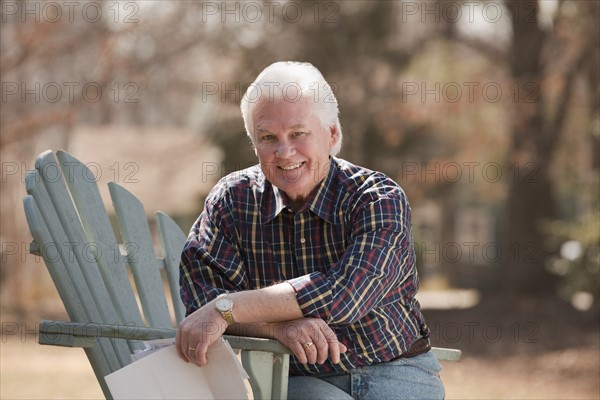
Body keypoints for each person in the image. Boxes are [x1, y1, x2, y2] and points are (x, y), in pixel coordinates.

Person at [176, 61, 445, 400]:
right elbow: (202, 299)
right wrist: (276, 328)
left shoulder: (379, 198)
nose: (284, 152)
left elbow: (347, 295)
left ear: (332, 134)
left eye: (298, 134)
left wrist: (228, 308)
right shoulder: (233, 200)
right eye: (268, 137)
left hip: (396, 369)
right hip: (299, 376)